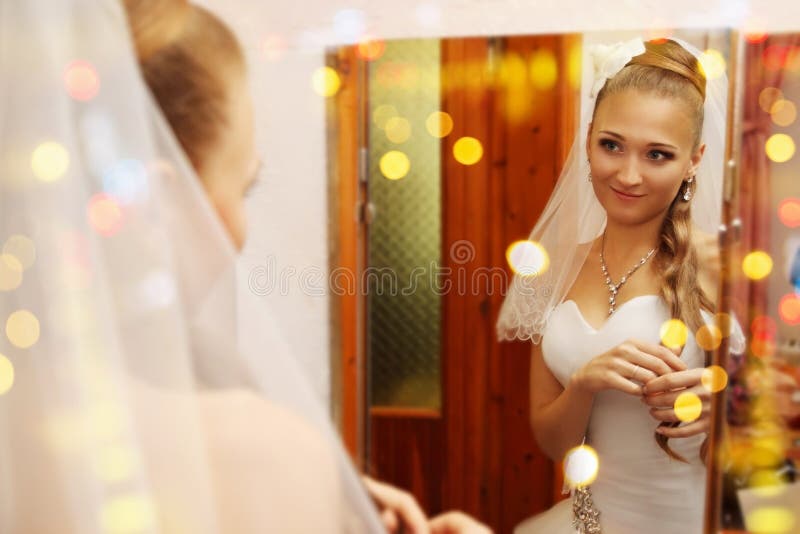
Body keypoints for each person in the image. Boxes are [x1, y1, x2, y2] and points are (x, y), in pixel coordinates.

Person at [0, 0, 491, 532]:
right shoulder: (260, 454)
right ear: (155, 206)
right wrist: (298, 489)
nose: (240, 228)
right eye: (245, 185)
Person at [497, 37, 743, 533]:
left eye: (657, 155)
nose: (628, 175)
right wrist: (585, 382)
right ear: (589, 138)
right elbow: (552, 442)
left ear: (694, 159)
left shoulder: (724, 266)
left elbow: (775, 430)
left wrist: (726, 409)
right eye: (612, 145)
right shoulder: (550, 268)